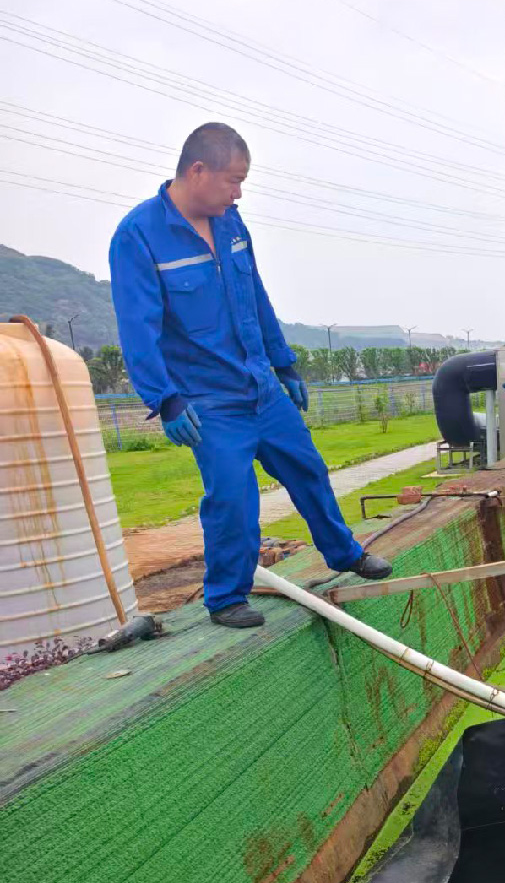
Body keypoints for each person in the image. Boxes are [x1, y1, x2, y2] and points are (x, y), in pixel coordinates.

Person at [109, 122, 390, 629]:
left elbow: (255, 297)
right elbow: (137, 327)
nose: (238, 192)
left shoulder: (232, 224)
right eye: (232, 181)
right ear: (197, 171)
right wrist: (165, 399)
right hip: (208, 401)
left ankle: (344, 553)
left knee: (308, 470)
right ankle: (226, 597)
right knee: (232, 498)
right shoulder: (139, 236)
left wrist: (284, 363)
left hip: (260, 385)